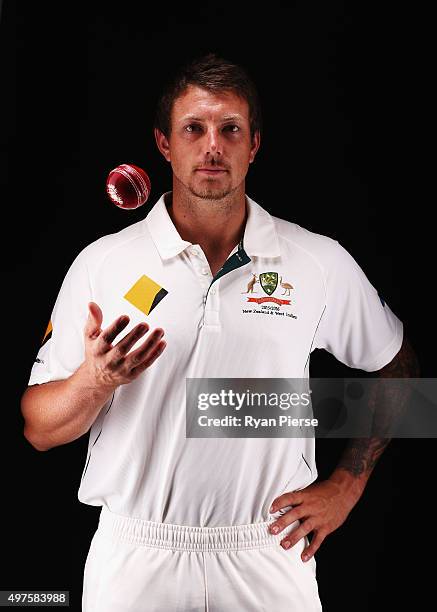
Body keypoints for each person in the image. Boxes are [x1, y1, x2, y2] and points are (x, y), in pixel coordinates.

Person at [21, 53, 419, 611]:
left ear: (254, 144)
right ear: (164, 143)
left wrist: (345, 487)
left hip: (268, 549)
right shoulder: (103, 264)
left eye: (230, 129)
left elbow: (400, 369)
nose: (213, 146)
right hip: (137, 556)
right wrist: (93, 381)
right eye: (194, 128)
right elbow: (37, 429)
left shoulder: (316, 260)